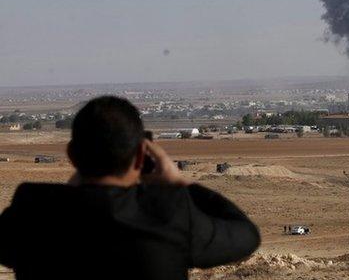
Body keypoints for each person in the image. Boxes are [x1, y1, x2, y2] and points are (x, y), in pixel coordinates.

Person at [0, 96, 260, 280]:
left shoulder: (32, 208)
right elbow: (247, 236)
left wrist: (74, 190)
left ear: (71, 155)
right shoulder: (170, 212)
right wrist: (180, 184)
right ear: (140, 157)